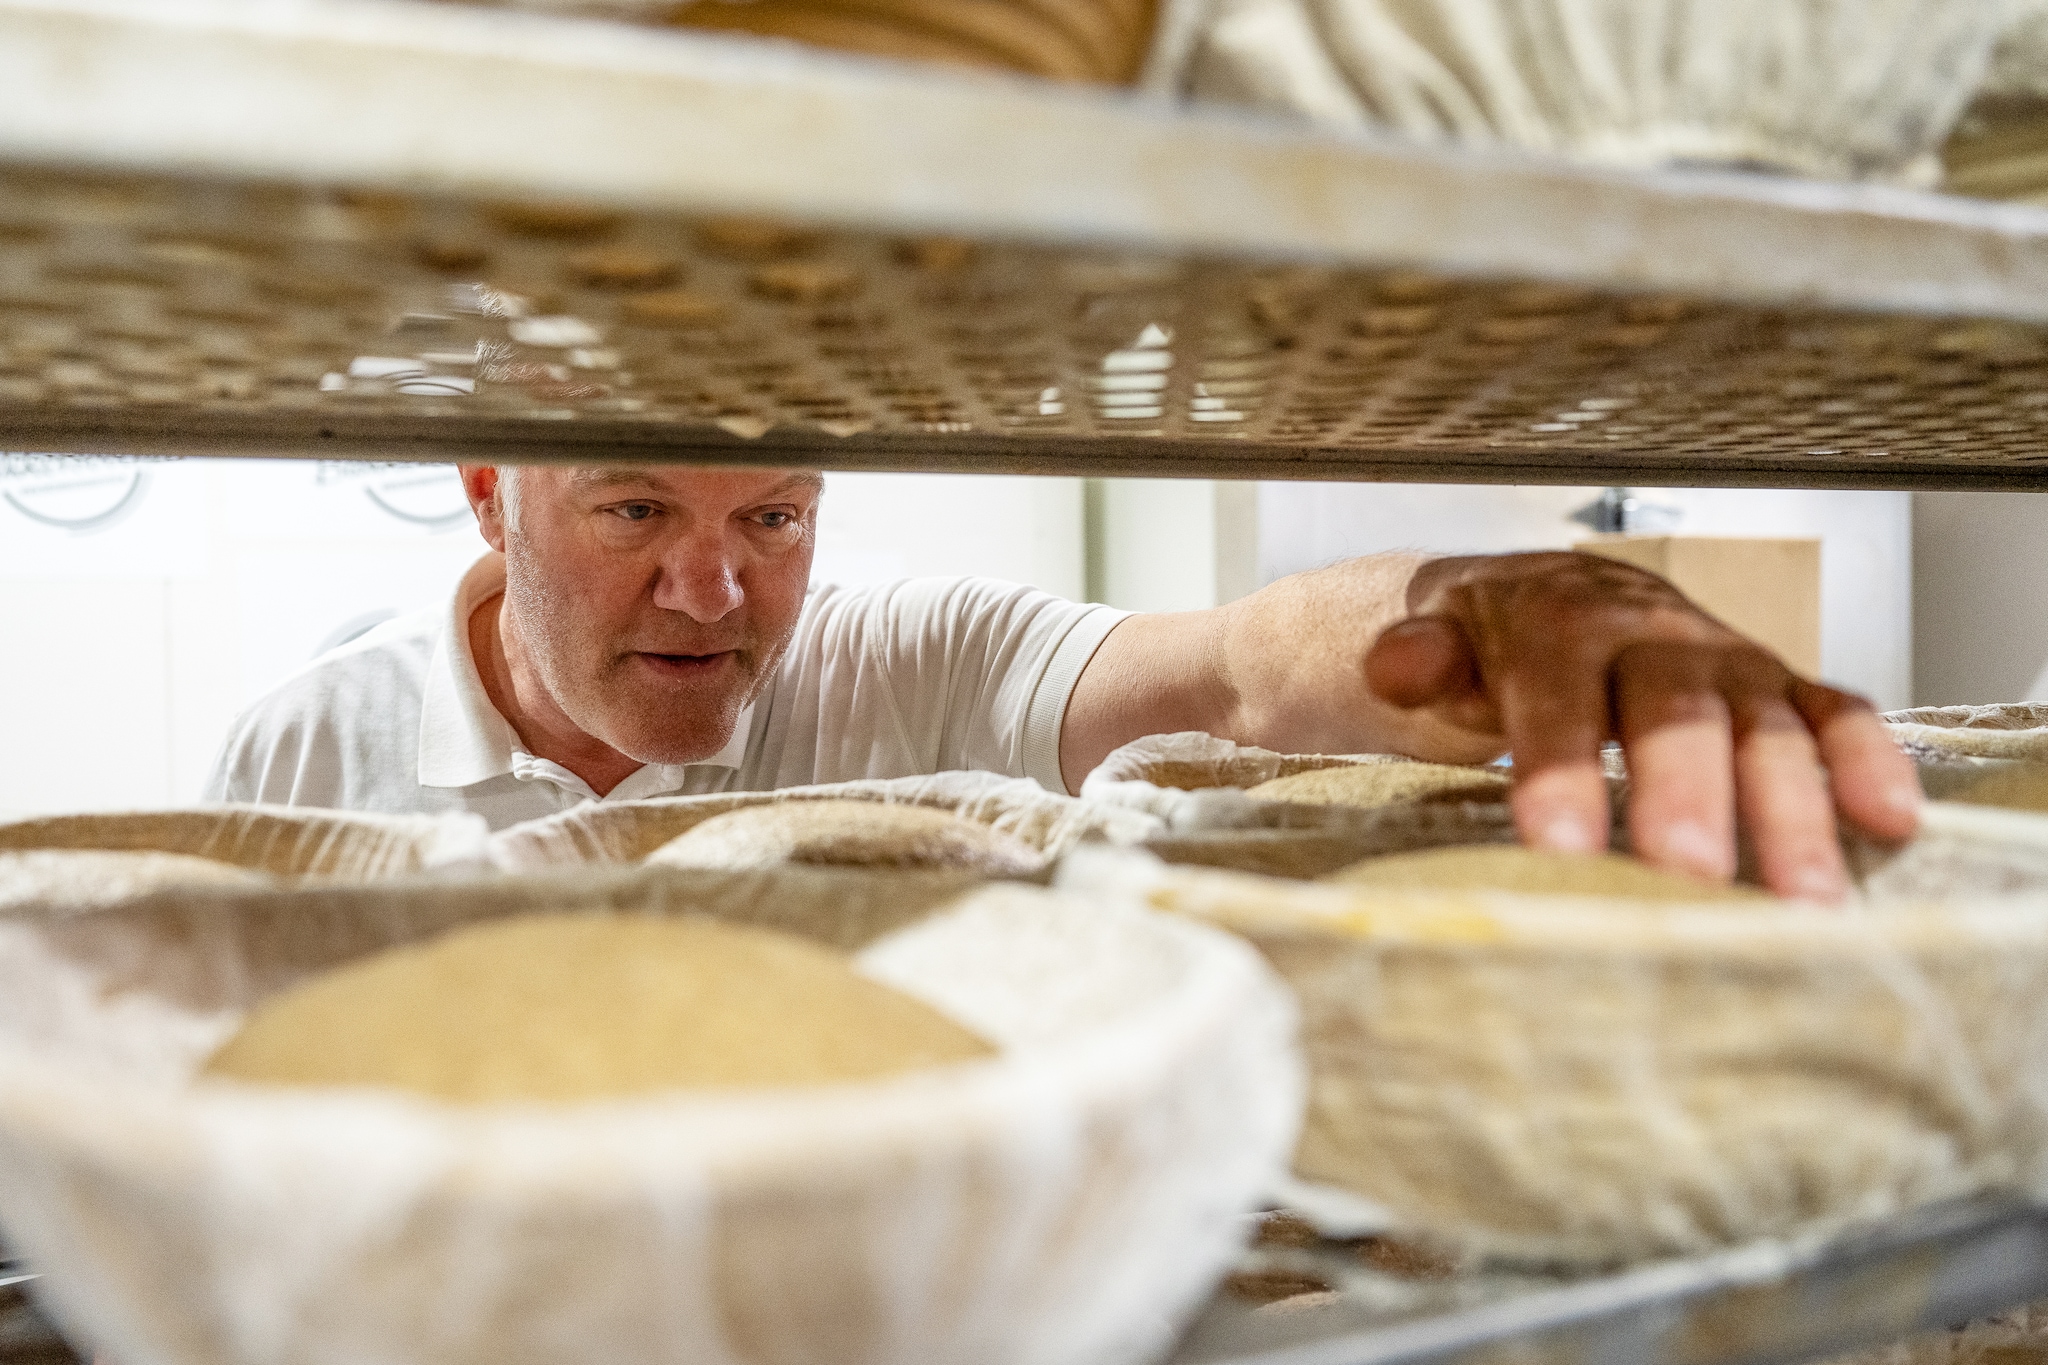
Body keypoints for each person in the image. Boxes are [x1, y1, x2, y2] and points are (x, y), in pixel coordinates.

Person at [208, 464, 1920, 899]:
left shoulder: (901, 652)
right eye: (636, 509)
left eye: (777, 514)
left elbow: (1242, 674)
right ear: (491, 497)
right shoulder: (310, 744)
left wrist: (1494, 599)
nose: (720, 588)